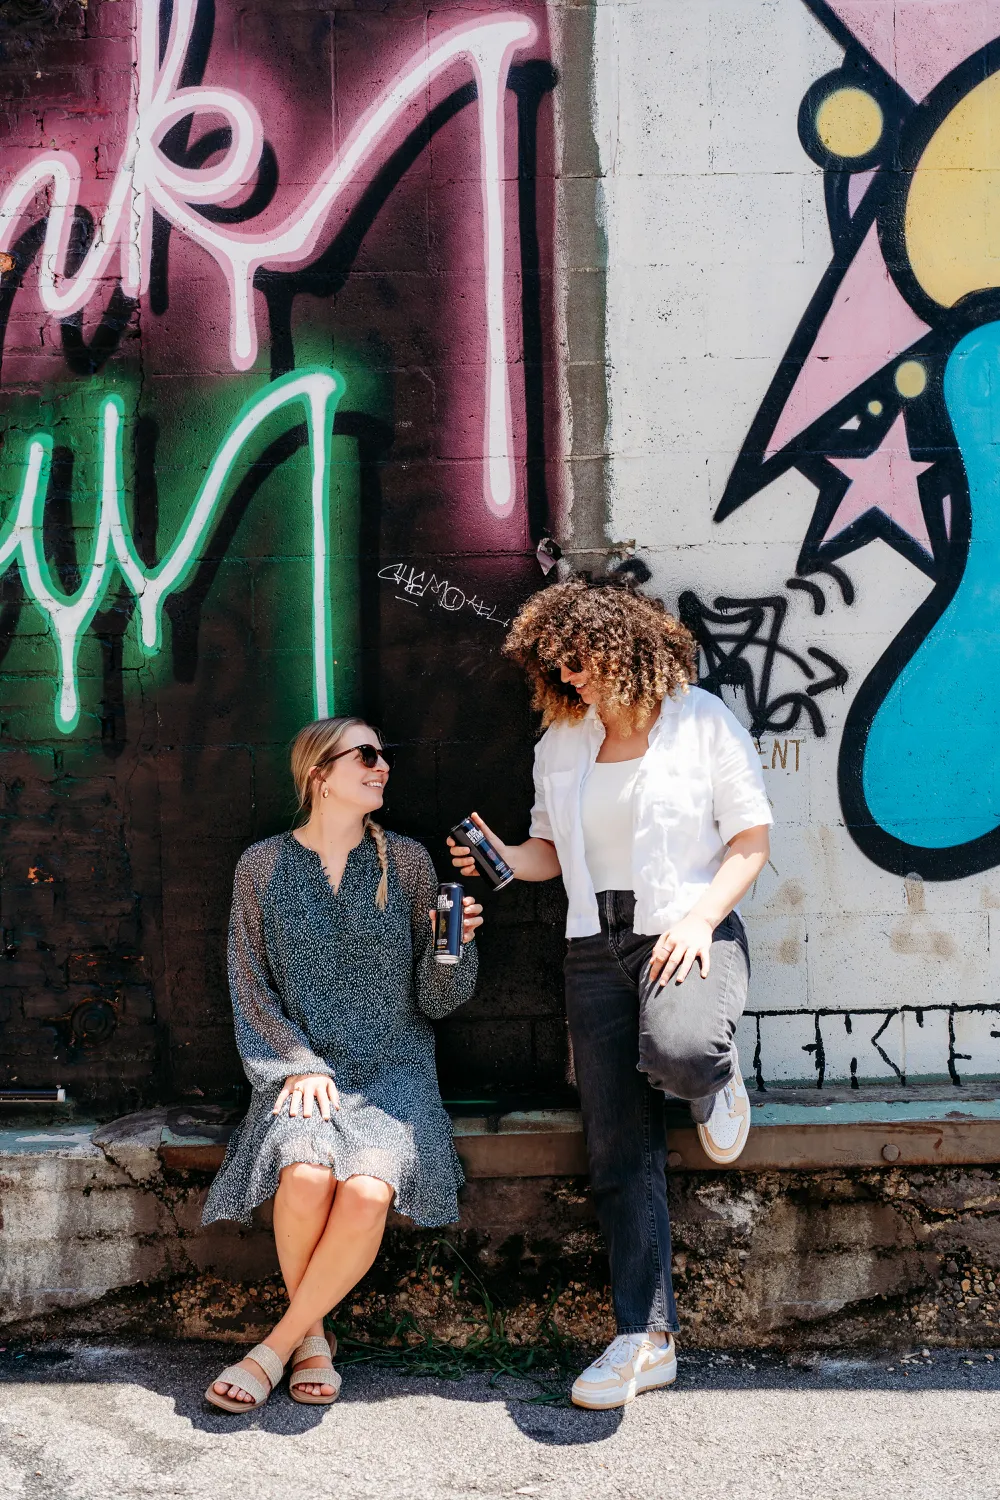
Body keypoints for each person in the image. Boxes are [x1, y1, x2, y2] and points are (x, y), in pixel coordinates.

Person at [449, 570, 772, 1410]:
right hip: (593, 946)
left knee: (685, 1051)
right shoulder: (562, 740)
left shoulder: (702, 720)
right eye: (557, 667)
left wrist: (699, 919)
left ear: (622, 644)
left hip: (686, 929)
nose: (570, 678)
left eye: (579, 659)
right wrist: (498, 857)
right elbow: (549, 853)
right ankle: (645, 1337)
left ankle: (715, 1079)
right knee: (616, 1147)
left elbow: (750, 841)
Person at [202, 716, 483, 1412]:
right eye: (365, 755)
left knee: (366, 1190)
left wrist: (454, 948)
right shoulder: (262, 866)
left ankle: (276, 1347)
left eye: (384, 755)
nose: (383, 766)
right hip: (304, 1073)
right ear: (318, 774)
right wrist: (296, 1064)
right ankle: (313, 1339)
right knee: (303, 1174)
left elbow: (437, 1000)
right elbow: (248, 983)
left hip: (394, 1069)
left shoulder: (407, 863)